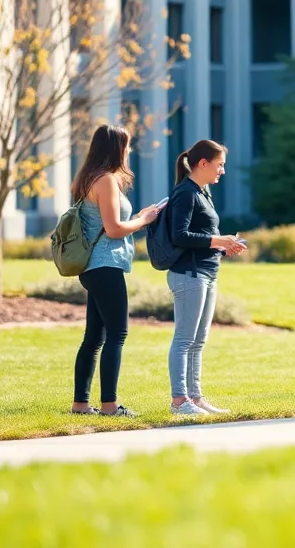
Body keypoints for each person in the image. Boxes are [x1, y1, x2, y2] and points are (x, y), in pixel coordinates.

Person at [70, 126, 161, 418]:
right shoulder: (106, 181)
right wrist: (143, 220)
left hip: (93, 266)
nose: (130, 151)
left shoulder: (87, 179)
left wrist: (134, 219)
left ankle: (81, 404)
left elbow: (105, 225)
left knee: (94, 337)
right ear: (116, 148)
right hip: (105, 265)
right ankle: (110, 405)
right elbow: (113, 229)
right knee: (117, 334)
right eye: (127, 146)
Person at [166, 140, 248, 416]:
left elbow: (201, 239)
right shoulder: (186, 193)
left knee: (198, 340)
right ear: (203, 164)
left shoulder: (203, 192)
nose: (222, 171)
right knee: (184, 340)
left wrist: (224, 247)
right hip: (189, 274)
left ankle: (196, 398)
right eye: (220, 165)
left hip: (207, 272)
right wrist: (218, 240)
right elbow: (180, 235)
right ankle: (179, 401)